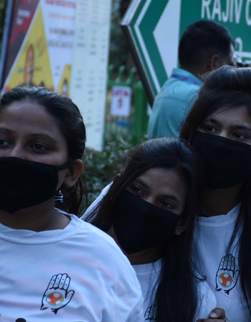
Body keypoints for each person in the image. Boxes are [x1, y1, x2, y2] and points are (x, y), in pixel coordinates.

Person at [87, 66, 251, 322]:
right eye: (210, 128)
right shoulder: (132, 196)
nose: (221, 141)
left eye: (238, 135)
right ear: (192, 131)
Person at [0, 86, 144, 320]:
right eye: (3, 141)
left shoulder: (103, 260)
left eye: (38, 146)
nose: (14, 155)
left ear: (71, 173)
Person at [87, 137, 226, 322]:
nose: (146, 207)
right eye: (137, 191)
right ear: (116, 188)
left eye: (165, 204)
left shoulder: (195, 300)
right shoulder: (68, 253)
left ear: (182, 223)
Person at [147, 20, 235, 139]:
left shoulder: (172, 88)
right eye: (229, 65)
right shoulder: (194, 96)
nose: (232, 71)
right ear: (214, 63)